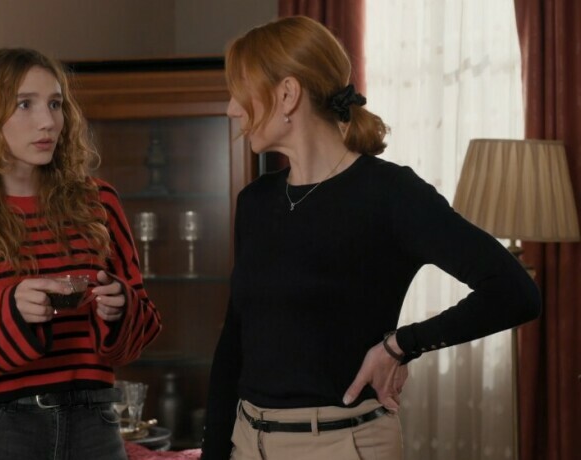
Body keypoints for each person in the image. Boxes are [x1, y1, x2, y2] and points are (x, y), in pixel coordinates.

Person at [201, 16, 541, 460]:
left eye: (240, 91)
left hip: (343, 446)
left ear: (287, 94)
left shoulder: (390, 194)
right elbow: (234, 341)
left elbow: (515, 292)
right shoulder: (256, 201)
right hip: (247, 443)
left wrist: (400, 346)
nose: (232, 109)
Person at [0, 48, 161, 460]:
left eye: (55, 104)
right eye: (25, 104)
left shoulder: (100, 203)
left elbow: (141, 329)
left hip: (93, 422)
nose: (48, 121)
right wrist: (10, 313)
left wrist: (120, 308)